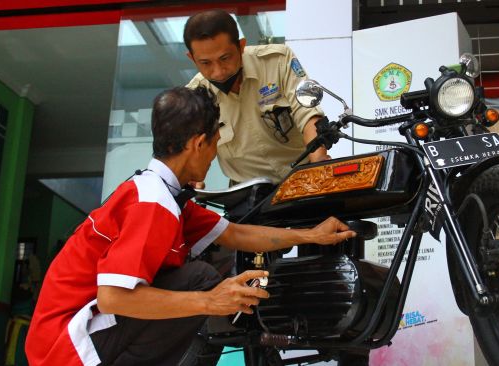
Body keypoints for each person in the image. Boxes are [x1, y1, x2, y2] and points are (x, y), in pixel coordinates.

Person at [25, 86, 355, 366]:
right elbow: (113, 297)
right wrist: (211, 300)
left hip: (78, 334)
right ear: (198, 143)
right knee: (201, 279)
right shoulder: (153, 203)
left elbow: (236, 234)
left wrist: (311, 235)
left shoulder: (164, 194)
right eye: (214, 143)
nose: (214, 154)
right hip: (70, 344)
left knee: (218, 269)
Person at [184, 9, 330, 185]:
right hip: (247, 196)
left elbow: (307, 115)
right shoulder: (194, 97)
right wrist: (193, 181)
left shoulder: (277, 61)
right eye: (206, 63)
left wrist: (319, 161)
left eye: (225, 58)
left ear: (241, 46)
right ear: (192, 58)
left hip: (303, 177)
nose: (218, 71)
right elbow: (193, 152)